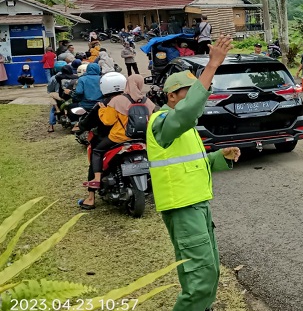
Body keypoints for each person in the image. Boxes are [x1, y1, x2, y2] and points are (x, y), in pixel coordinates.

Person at [147, 35, 240, 311]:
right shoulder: (164, 121)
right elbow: (188, 112)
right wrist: (211, 66)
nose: (200, 94)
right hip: (183, 209)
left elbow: (191, 162)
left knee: (209, 272)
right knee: (199, 278)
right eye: (190, 90)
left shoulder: (184, 126)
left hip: (198, 205)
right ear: (171, 96)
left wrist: (218, 158)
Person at [78, 73, 157, 210]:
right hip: (142, 138)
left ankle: (94, 188)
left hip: (119, 138)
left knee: (97, 151)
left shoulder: (116, 101)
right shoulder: (147, 101)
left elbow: (107, 121)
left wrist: (102, 109)